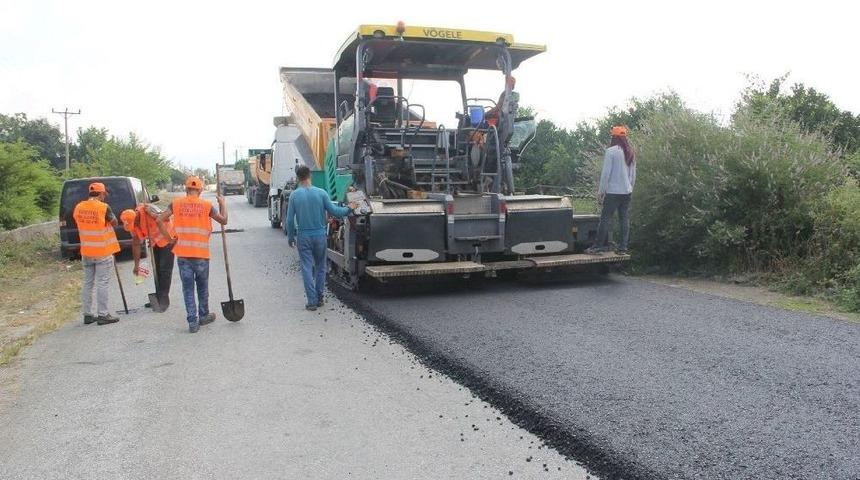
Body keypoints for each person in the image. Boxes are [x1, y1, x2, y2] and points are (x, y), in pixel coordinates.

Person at [158, 176, 227, 333]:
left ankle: (192, 322)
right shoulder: (207, 205)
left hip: (183, 255)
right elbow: (224, 220)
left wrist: (169, 239)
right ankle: (203, 315)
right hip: (201, 254)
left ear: (186, 189)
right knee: (202, 287)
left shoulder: (175, 203)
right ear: (201, 190)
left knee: (187, 289)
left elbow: (159, 219)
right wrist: (223, 204)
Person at [285, 165, 356, 310]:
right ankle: (319, 297)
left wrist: (291, 237)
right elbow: (335, 211)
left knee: (306, 267)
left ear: (298, 178)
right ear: (310, 175)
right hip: (319, 235)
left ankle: (312, 301)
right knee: (321, 267)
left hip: (303, 235)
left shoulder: (294, 195)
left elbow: (289, 220)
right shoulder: (321, 193)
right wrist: (350, 208)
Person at [73, 181, 120, 326]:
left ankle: (87, 314)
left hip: (86, 251)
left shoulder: (79, 207)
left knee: (88, 283)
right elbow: (114, 222)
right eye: (104, 194)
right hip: (102, 251)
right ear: (101, 194)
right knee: (102, 282)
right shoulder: (103, 207)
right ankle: (103, 314)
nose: (104, 197)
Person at [586, 125, 637, 255]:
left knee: (605, 219)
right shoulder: (630, 151)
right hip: (626, 192)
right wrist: (630, 188)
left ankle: (598, 246)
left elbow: (605, 174)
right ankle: (622, 248)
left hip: (613, 192)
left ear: (614, 137)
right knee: (624, 219)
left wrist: (601, 191)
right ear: (625, 137)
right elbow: (633, 175)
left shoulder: (611, 151)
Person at [120, 202, 175, 312]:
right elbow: (136, 243)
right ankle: (159, 296)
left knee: (165, 271)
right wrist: (136, 265)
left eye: (134, 223)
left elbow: (167, 219)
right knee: (157, 270)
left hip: (169, 238)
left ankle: (163, 300)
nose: (134, 226)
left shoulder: (148, 209)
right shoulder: (133, 224)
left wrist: (153, 215)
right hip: (156, 243)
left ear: (136, 217)